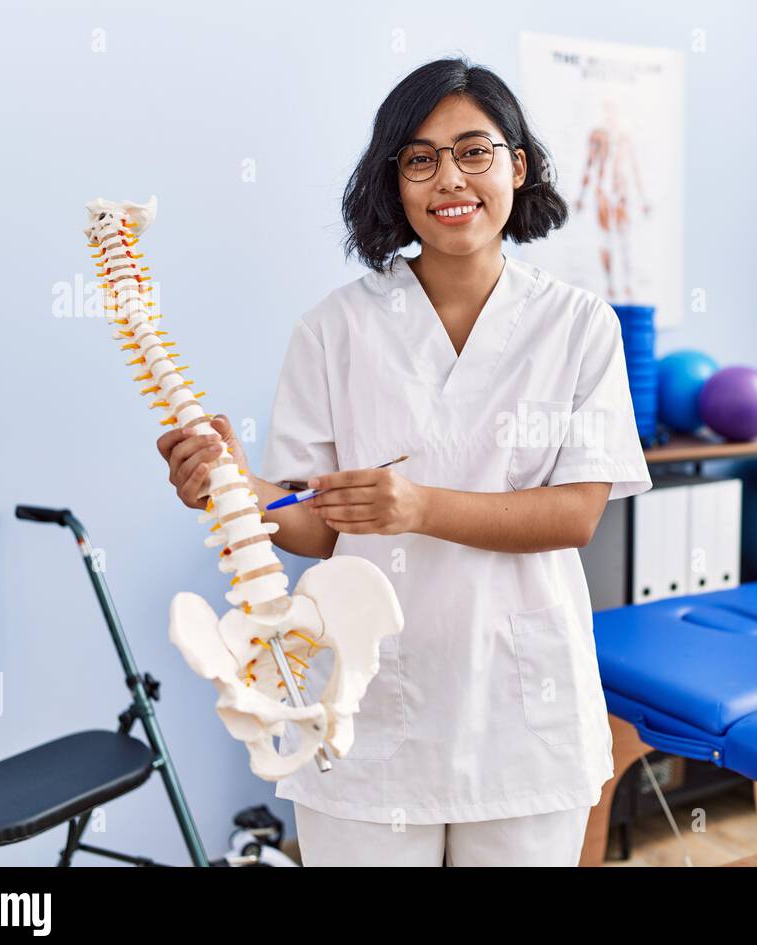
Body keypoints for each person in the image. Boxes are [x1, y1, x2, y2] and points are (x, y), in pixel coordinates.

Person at [157, 57, 651, 866]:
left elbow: (576, 514)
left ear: (517, 165)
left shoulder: (579, 325)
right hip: (369, 701)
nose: (449, 178)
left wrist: (418, 507)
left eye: (474, 151)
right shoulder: (334, 329)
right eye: (419, 159)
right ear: (395, 184)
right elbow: (311, 523)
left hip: (522, 710)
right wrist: (236, 491)